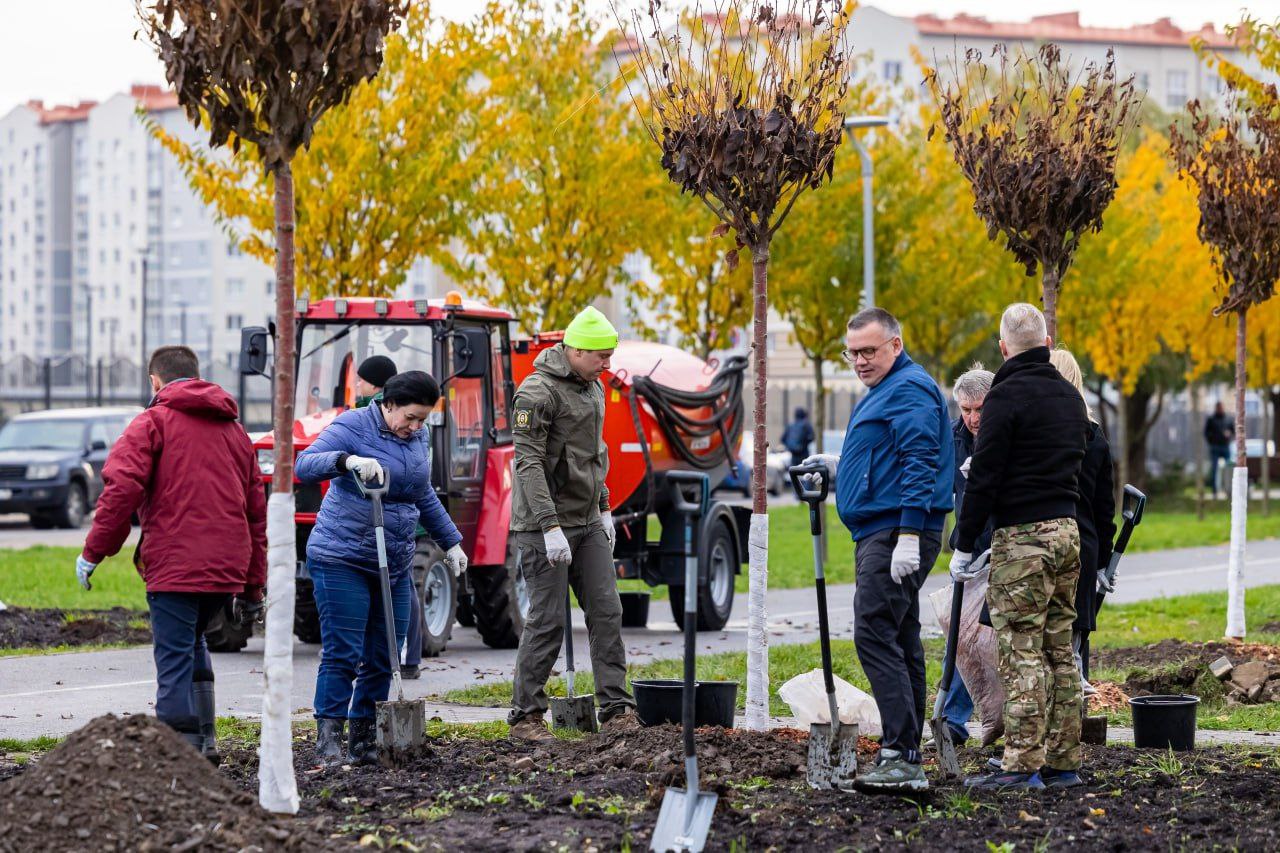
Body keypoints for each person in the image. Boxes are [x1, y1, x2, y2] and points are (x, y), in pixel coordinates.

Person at [76, 345, 266, 765]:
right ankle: (207, 738)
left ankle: (182, 760)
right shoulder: (235, 433)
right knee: (194, 639)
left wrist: (95, 552)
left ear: (154, 381)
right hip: (227, 568)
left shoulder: (151, 423)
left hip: (176, 566)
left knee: (174, 657)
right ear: (197, 377)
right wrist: (253, 585)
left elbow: (122, 489)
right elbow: (257, 513)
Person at [804, 307, 954, 792]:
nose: (860, 361)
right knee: (900, 636)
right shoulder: (886, 389)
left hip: (894, 533)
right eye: (852, 353)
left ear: (895, 343)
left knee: (871, 632)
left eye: (869, 351)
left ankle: (900, 754)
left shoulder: (907, 387)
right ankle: (906, 755)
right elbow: (888, 453)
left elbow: (920, 458)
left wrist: (909, 533)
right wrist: (841, 464)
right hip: (885, 528)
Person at [296, 370, 468, 766]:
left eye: (423, 419)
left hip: (393, 560)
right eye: (410, 417)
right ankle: (329, 741)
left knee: (383, 654)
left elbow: (421, 491)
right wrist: (347, 461)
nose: (416, 426)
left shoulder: (417, 437)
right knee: (344, 651)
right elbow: (306, 464)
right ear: (388, 404)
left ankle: (363, 739)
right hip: (342, 557)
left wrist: (451, 540)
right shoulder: (354, 425)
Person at [951, 304, 1089, 792]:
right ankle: (1063, 762)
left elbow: (985, 478)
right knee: (1059, 650)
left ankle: (1021, 765)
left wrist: (964, 544)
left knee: (1021, 652)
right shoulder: (1071, 399)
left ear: (1003, 347)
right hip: (1067, 535)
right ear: (1048, 344)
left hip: (1023, 539)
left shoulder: (1005, 397)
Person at [507, 306, 640, 740]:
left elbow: (594, 452)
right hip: (543, 525)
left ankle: (617, 709)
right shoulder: (537, 393)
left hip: (586, 522)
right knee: (547, 620)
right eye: (601, 355)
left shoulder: (593, 388)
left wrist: (604, 506)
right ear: (575, 350)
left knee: (607, 611)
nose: (608, 364)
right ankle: (525, 717)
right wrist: (548, 526)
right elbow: (527, 464)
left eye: (610, 355)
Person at [351, 355, 427, 681]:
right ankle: (403, 657)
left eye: (361, 380)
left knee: (401, 586)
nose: (357, 385)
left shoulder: (397, 419)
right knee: (399, 587)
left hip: (395, 517)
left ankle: (406, 655)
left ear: (375, 385)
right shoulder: (368, 416)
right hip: (385, 517)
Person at [934, 364, 995, 749]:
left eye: (979, 409)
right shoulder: (955, 438)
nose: (972, 418)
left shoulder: (1005, 434)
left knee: (981, 635)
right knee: (961, 632)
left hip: (1004, 544)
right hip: (969, 546)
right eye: (966, 409)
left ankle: (964, 716)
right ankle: (953, 719)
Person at [1048, 348, 1116, 692]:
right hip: (1084, 544)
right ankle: (1073, 722)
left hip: (1041, 540)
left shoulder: (1039, 435)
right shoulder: (1096, 437)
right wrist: (1104, 562)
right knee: (1071, 646)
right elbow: (1106, 508)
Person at [1204, 402, 1234, 497]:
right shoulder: (1211, 419)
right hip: (1215, 447)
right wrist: (1212, 440)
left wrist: (1229, 434)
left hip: (1225, 446)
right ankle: (1214, 490)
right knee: (1214, 469)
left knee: (1229, 467)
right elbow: (1206, 433)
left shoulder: (1228, 419)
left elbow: (1232, 431)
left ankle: (1229, 489)